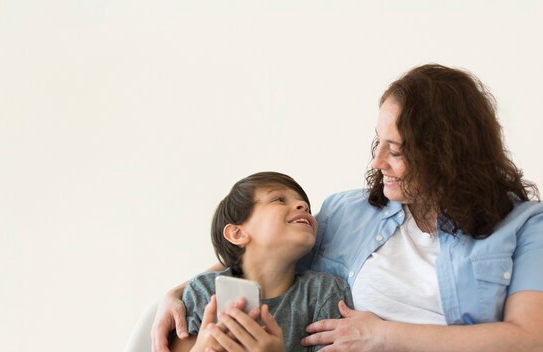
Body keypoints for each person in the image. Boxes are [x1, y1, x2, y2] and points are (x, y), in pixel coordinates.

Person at [152, 64, 543, 352]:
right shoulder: (348, 213)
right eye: (379, 143)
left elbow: (529, 339)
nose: (378, 163)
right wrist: (179, 291)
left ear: (447, 155)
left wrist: (383, 335)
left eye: (398, 150)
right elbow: (264, 251)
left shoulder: (526, 226)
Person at [171, 171, 353, 352]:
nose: (303, 205)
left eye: (307, 207)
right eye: (279, 199)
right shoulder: (202, 291)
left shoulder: (324, 292)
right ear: (238, 233)